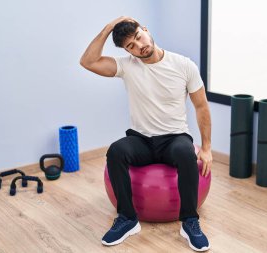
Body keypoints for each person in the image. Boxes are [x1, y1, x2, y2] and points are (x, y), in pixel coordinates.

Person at [80, 16, 212, 252]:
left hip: (174, 138)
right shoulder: (127, 66)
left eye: (139, 37)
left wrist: (207, 148)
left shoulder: (184, 65)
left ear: (146, 30)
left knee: (185, 152)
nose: (139, 45)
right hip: (141, 140)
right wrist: (108, 28)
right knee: (117, 150)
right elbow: (88, 62)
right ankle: (128, 219)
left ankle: (190, 221)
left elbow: (201, 106)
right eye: (130, 45)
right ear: (126, 50)